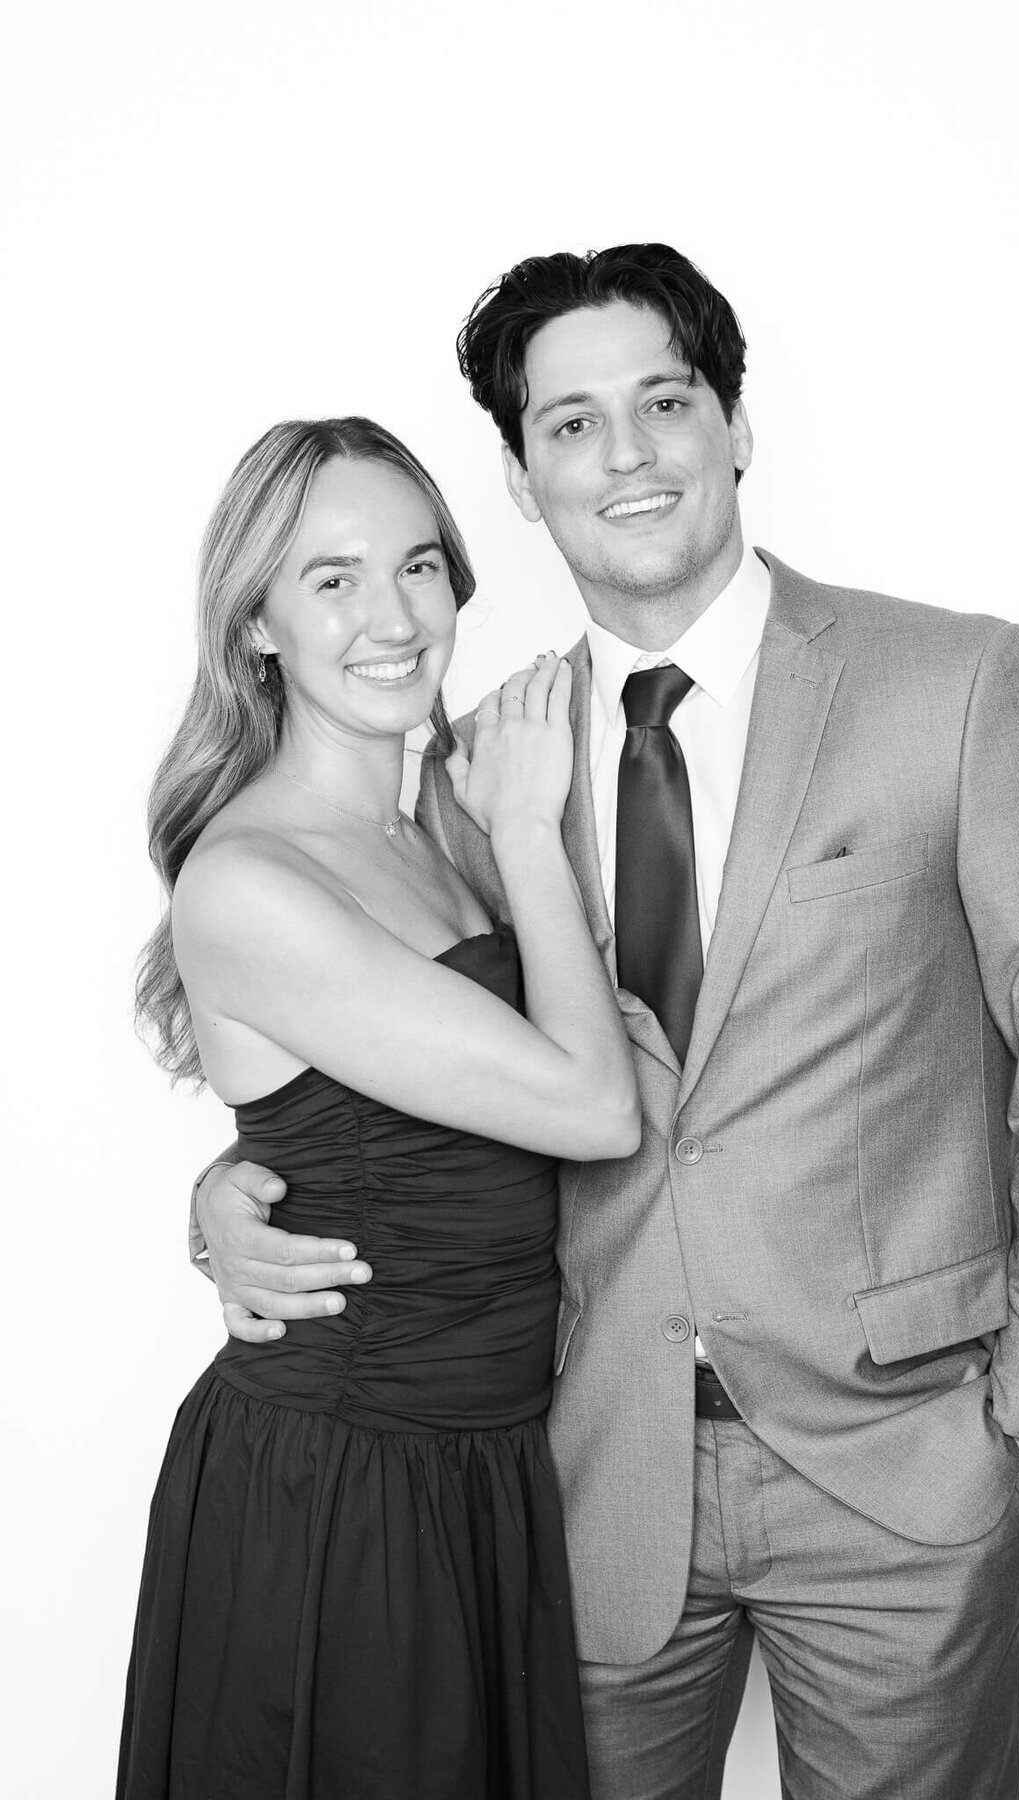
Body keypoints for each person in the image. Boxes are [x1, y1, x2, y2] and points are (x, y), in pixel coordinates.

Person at [195, 250, 1019, 1799]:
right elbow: (377, 1058)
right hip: (585, 1478)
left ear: (735, 429)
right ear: (519, 480)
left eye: (665, 402)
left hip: (907, 1481)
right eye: (571, 424)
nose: (626, 454)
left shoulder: (961, 685)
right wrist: (236, 1192)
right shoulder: (477, 769)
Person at [120, 415, 639, 1800]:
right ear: (258, 629)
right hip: (348, 1495)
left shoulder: (437, 822)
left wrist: (221, 1187)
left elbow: (370, 1128)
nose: (395, 616)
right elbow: (592, 1106)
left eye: (419, 567)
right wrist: (532, 830)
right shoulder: (254, 880)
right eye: (333, 579)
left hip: (487, 1471)